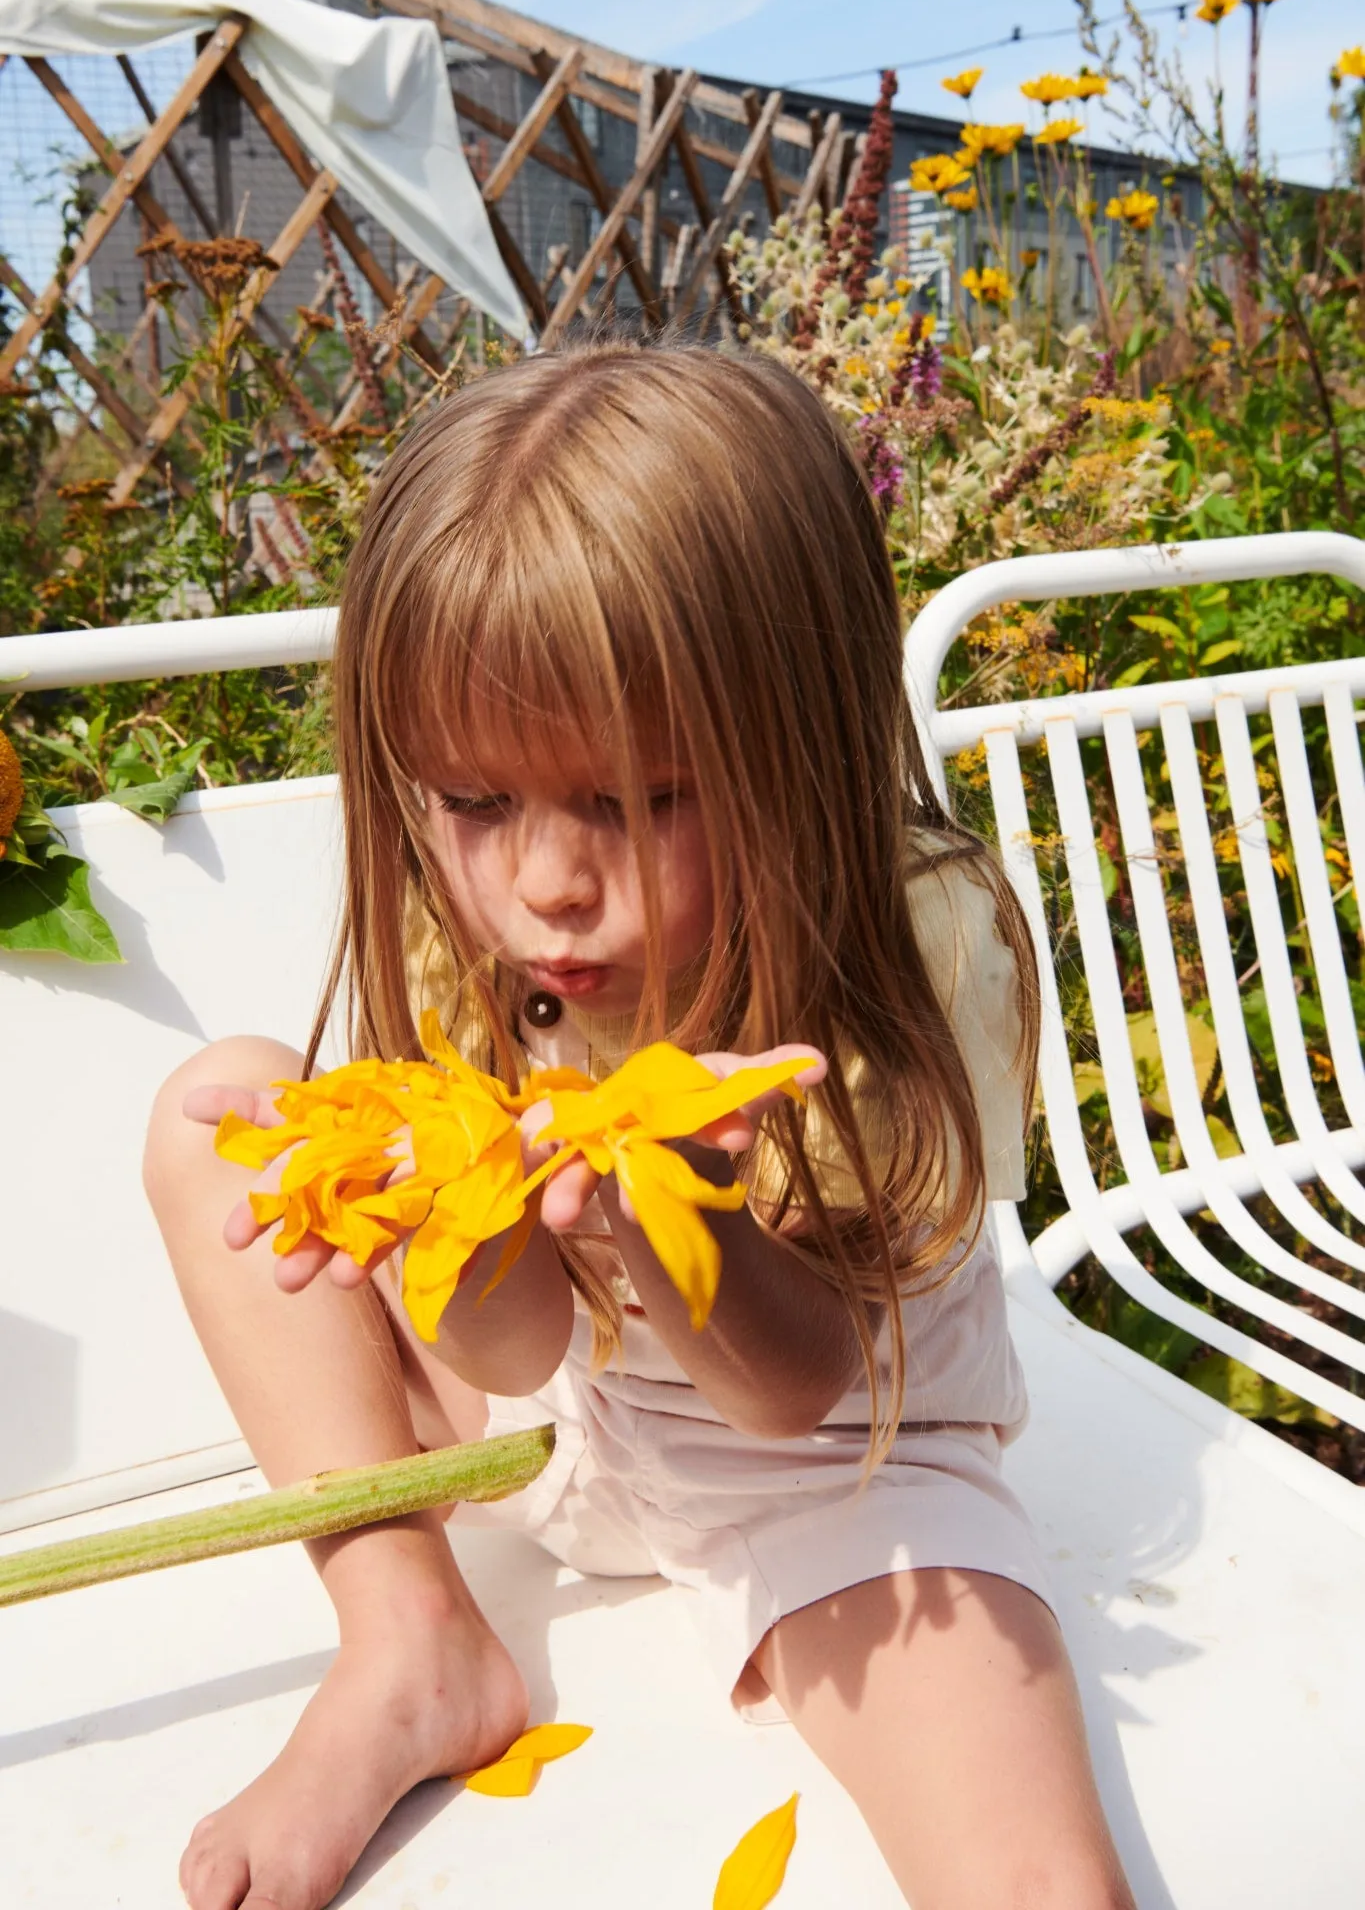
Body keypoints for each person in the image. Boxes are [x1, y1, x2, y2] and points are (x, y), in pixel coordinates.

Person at [144, 340, 1134, 1910]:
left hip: (844, 1476)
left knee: (1035, 1883)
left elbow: (802, 1389)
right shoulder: (485, 936)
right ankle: (412, 1639)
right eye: (474, 805)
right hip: (557, 1432)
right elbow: (511, 1351)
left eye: (635, 800)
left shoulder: (916, 938)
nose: (545, 884)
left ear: (797, 740)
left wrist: (677, 1235)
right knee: (216, 1113)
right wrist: (449, 1227)